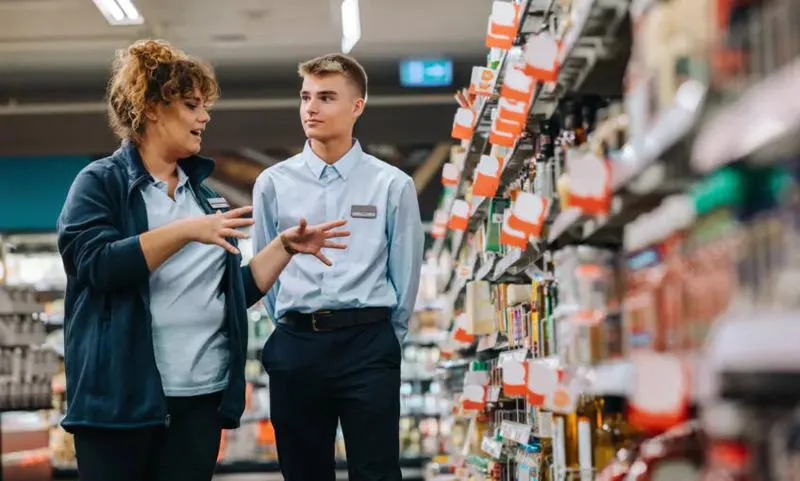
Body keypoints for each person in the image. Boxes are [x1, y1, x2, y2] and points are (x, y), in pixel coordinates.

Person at [55, 39, 350, 481]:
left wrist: (284, 247)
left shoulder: (203, 197)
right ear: (152, 108)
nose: (204, 117)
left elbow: (230, 294)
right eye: (192, 105)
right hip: (119, 403)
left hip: (199, 401)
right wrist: (187, 231)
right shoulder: (102, 183)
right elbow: (94, 265)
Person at [252, 53, 425, 481]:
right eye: (305, 96)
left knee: (377, 471)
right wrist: (292, 324)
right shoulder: (272, 184)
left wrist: (385, 339)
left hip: (368, 345)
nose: (311, 108)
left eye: (326, 97)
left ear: (357, 106)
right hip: (297, 345)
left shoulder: (392, 185)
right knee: (303, 472)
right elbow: (264, 271)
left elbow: (405, 277)